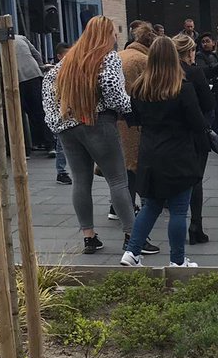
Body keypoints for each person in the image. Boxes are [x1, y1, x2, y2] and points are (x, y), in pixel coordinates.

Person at [42, 15, 135, 255]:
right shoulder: (106, 58)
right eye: (114, 32)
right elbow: (112, 89)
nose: (116, 37)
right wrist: (128, 107)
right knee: (117, 179)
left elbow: (48, 89)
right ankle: (131, 236)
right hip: (98, 123)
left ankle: (89, 236)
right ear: (106, 35)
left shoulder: (66, 62)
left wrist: (57, 121)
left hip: (68, 128)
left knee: (81, 181)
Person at [120, 37, 208, 268]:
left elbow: (134, 119)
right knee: (179, 210)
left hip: (150, 155)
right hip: (179, 156)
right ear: (173, 58)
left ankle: (132, 252)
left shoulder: (140, 88)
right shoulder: (183, 88)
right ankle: (177, 261)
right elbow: (198, 124)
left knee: (150, 206)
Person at [173, 33, 215, 244]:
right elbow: (208, 104)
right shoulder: (195, 73)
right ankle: (196, 224)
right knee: (196, 179)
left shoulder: (164, 74)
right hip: (195, 133)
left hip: (171, 135)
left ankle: (179, 222)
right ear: (189, 52)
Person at [117, 20, 155, 222]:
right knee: (135, 166)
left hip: (116, 118)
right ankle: (134, 206)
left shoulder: (120, 55)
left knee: (122, 167)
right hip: (136, 120)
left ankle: (118, 206)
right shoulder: (143, 60)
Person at [13, 29, 53, 155]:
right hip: (34, 75)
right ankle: (50, 145)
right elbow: (36, 54)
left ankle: (26, 149)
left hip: (16, 79)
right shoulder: (21, 38)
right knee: (40, 111)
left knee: (19, 114)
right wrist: (40, 67)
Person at [51, 42, 72, 185]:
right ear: (59, 56)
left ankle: (63, 170)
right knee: (61, 144)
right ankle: (61, 171)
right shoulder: (56, 72)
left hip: (70, 112)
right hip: (61, 113)